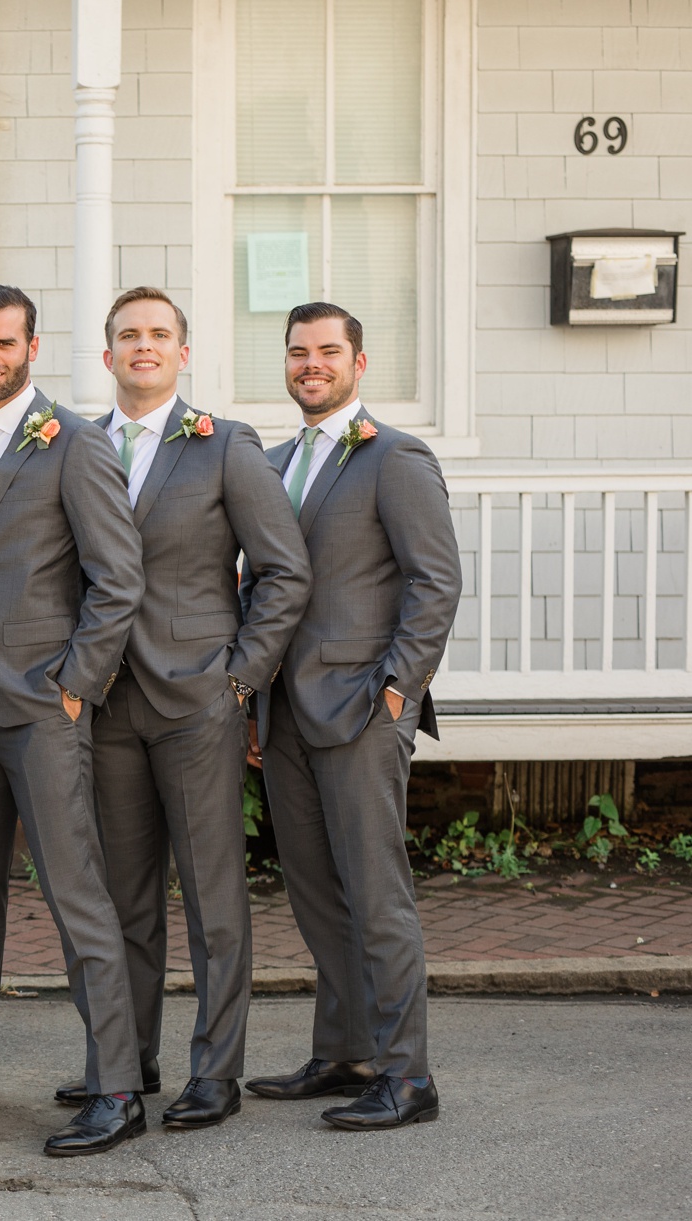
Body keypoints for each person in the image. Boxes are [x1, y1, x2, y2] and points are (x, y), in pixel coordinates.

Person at [0, 283, 148, 1157]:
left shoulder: (75, 445)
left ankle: (119, 1085)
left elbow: (118, 578)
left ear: (32, 345)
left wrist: (74, 685)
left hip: (40, 707)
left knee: (75, 897)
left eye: (3, 343)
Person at [86, 287, 310, 1128]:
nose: (144, 347)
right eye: (128, 336)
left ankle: (215, 1071)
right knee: (124, 897)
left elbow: (284, 571)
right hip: (108, 705)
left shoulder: (224, 448)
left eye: (159, 334)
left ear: (184, 351)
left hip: (197, 703)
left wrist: (240, 680)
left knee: (214, 899)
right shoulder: (79, 444)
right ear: (107, 354)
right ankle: (126, 1059)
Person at [244, 302, 460, 1131]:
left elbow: (434, 582)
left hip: (365, 708)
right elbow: (261, 584)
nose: (311, 364)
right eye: (298, 352)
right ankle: (347, 1050)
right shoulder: (270, 463)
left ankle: (408, 1075)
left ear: (359, 363)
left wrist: (399, 692)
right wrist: (253, 699)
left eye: (328, 351)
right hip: (286, 715)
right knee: (314, 891)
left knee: (376, 895)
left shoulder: (396, 459)